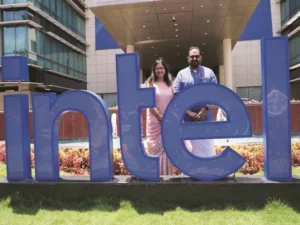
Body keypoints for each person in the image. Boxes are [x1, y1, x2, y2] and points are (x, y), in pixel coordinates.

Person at [173, 46, 218, 157]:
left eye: (196, 56)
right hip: (187, 120)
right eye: (192, 56)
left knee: (207, 150)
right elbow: (176, 95)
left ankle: (208, 173)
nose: (194, 58)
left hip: (206, 118)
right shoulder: (181, 74)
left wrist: (205, 109)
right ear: (188, 58)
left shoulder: (209, 73)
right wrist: (188, 112)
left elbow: (216, 93)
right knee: (189, 152)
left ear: (200, 57)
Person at [145, 57, 175, 175]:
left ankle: (168, 175)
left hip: (168, 120)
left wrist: (168, 118)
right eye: (157, 68)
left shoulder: (171, 83)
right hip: (154, 120)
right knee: (154, 148)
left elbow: (174, 101)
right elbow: (149, 102)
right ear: (154, 70)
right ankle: (155, 175)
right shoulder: (150, 83)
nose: (160, 70)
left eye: (161, 68)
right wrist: (159, 116)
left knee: (168, 147)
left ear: (165, 69)